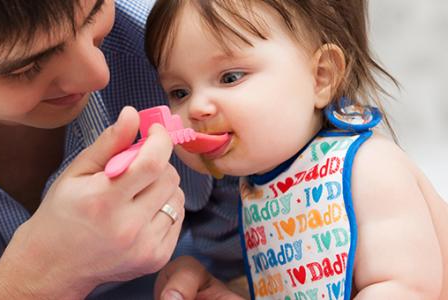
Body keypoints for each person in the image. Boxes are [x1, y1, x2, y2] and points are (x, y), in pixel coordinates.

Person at [0, 0, 244, 298]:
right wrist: (42, 273)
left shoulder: (207, 36)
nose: (97, 74)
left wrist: (238, 285)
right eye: (24, 67)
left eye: (93, 15)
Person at [143, 0, 448, 299]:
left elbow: (409, 287)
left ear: (321, 77)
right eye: (179, 92)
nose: (196, 107)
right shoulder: (260, 188)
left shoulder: (367, 167)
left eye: (231, 77)